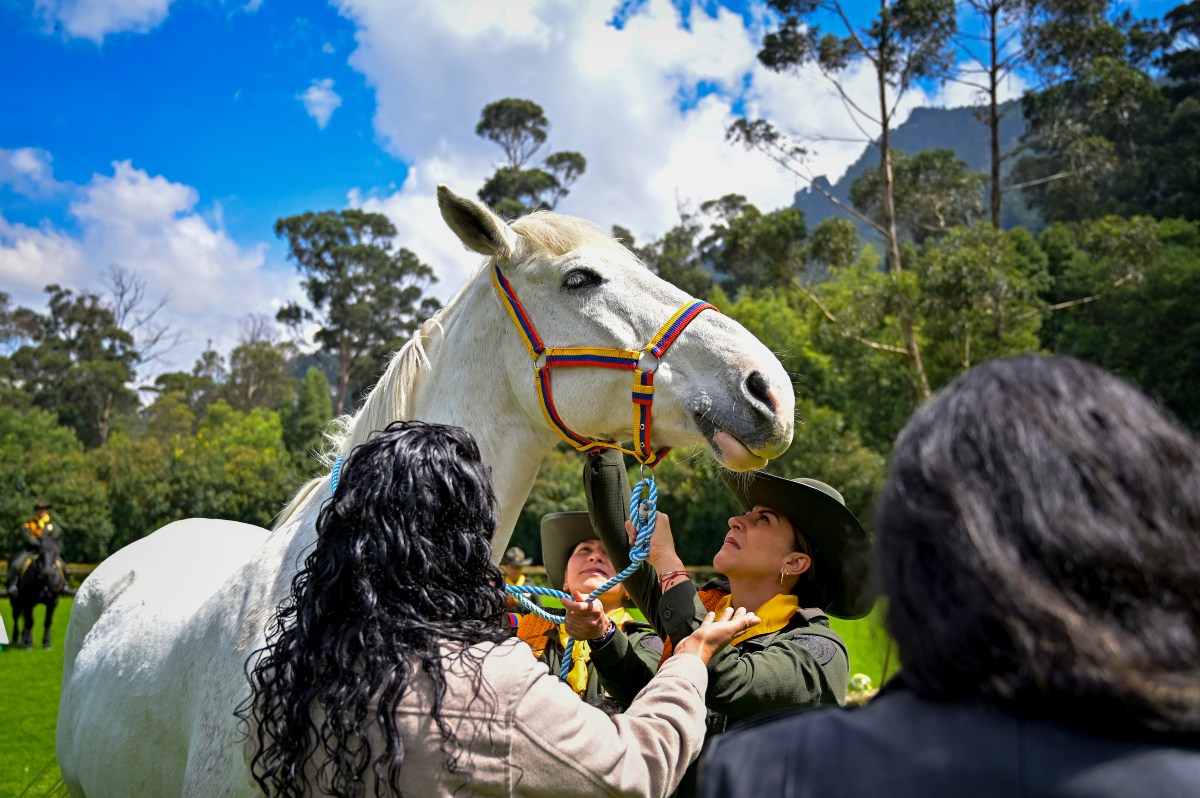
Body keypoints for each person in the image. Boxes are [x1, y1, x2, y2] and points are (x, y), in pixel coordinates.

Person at [701, 355, 1200, 797]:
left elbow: (721, 677)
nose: (736, 520)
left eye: (764, 519)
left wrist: (665, 571)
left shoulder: (764, 769)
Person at [240, 419, 761, 798]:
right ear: (462, 541)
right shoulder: (490, 678)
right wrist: (690, 660)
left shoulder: (288, 674)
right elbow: (635, 768)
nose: (594, 555)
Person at [576, 448, 873, 731]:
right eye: (749, 512)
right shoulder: (706, 609)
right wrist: (603, 440)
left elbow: (728, 680)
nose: (735, 520)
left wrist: (668, 560)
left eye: (763, 519)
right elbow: (647, 692)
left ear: (794, 562)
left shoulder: (820, 651)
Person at [511, 512, 663, 706]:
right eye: (584, 549)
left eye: (608, 552)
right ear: (566, 579)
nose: (594, 557)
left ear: (629, 588)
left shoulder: (649, 642)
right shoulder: (527, 629)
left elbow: (645, 691)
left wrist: (604, 636)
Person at [7, 501, 59, 599]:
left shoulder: (53, 525)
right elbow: (27, 537)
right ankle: (13, 585)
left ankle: (64, 585)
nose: (41, 512)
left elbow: (56, 536)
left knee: (61, 564)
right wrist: (39, 543)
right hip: (31, 552)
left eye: (43, 510)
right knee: (16, 564)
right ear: (36, 511)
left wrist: (46, 545)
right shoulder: (29, 524)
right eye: (39, 510)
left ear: (46, 511)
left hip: (47, 553)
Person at [500, 545, 542, 613]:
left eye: (518, 567)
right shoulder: (500, 583)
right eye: (513, 567)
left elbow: (540, 608)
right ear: (506, 566)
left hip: (525, 622)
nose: (515, 570)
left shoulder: (529, 584)